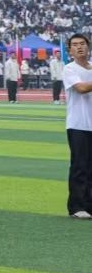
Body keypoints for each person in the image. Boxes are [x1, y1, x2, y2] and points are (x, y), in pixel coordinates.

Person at [61, 34, 92, 219]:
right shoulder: (69, 69)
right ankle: (77, 206)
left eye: (82, 44)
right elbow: (81, 89)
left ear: (88, 47)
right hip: (78, 124)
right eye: (75, 45)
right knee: (80, 165)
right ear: (70, 50)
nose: (79, 47)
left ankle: (89, 205)